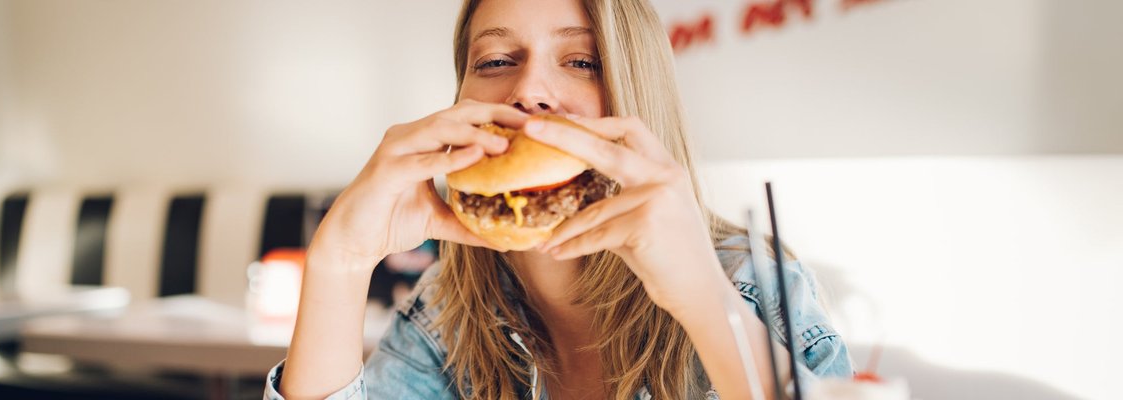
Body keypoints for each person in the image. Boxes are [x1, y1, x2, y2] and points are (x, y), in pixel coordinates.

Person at [267, 0, 852, 398]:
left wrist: (703, 296)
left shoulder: (752, 281)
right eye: (495, 61)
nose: (529, 91)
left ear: (634, 94)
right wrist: (339, 263)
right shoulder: (446, 315)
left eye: (581, 62)